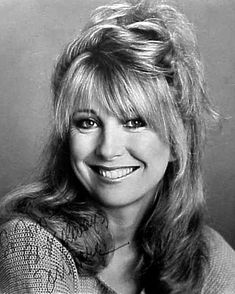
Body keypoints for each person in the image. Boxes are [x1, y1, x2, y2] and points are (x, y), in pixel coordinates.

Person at [0, 0, 234, 293]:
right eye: (88, 122)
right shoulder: (30, 247)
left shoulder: (209, 256)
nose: (108, 149)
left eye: (135, 122)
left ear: (178, 141)